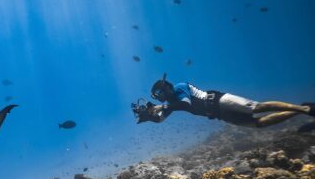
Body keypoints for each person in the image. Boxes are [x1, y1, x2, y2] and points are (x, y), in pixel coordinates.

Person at [133, 74, 315, 128]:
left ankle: (304, 109)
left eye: (159, 94)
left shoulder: (180, 87)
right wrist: (149, 117)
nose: (160, 98)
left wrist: (160, 106)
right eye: (157, 96)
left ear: (165, 89)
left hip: (220, 101)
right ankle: (301, 109)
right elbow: (160, 119)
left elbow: (186, 104)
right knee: (258, 123)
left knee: (257, 107)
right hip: (218, 114)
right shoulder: (169, 105)